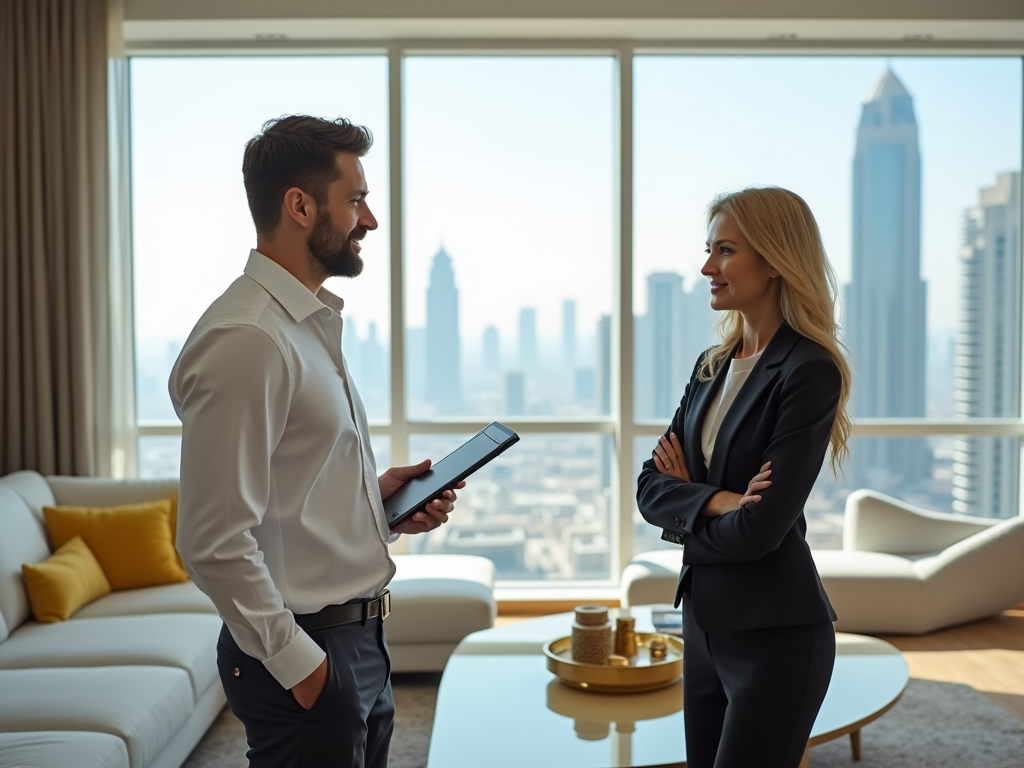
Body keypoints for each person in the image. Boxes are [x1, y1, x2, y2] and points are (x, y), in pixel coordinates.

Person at [170, 115, 461, 768]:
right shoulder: (248, 339)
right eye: (355, 199)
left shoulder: (303, 324)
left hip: (357, 643)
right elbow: (212, 543)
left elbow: (290, 490)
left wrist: (376, 504)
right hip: (308, 652)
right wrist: (307, 672)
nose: (370, 220)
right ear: (299, 206)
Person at [636, 186, 852, 768]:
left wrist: (691, 506)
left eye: (725, 251)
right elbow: (648, 488)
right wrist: (722, 501)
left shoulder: (809, 370)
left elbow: (761, 530)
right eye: (709, 250)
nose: (708, 267)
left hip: (775, 637)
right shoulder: (710, 368)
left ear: (775, 259)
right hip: (703, 626)